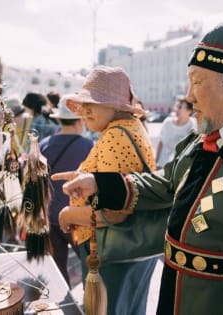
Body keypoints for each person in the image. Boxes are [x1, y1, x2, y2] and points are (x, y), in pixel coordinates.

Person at [53, 11, 223, 315]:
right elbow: (167, 184)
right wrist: (100, 183)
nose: (188, 96)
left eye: (197, 82)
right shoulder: (203, 139)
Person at [55, 65, 158, 315]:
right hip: (132, 252)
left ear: (116, 106)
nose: (86, 109)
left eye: (94, 102)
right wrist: (84, 175)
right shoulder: (131, 127)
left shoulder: (115, 136)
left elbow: (113, 212)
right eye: (84, 102)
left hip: (115, 253)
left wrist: (67, 215)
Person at [39, 96, 93, 289]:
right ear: (80, 121)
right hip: (78, 219)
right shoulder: (88, 146)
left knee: (58, 273)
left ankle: (63, 307)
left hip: (51, 217)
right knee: (91, 268)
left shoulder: (44, 144)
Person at [155, 95, 196, 168]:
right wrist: (155, 161)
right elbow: (160, 142)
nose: (176, 109)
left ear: (189, 111)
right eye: (176, 106)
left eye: (180, 107)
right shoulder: (167, 123)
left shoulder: (193, 125)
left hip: (179, 168)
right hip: (162, 164)